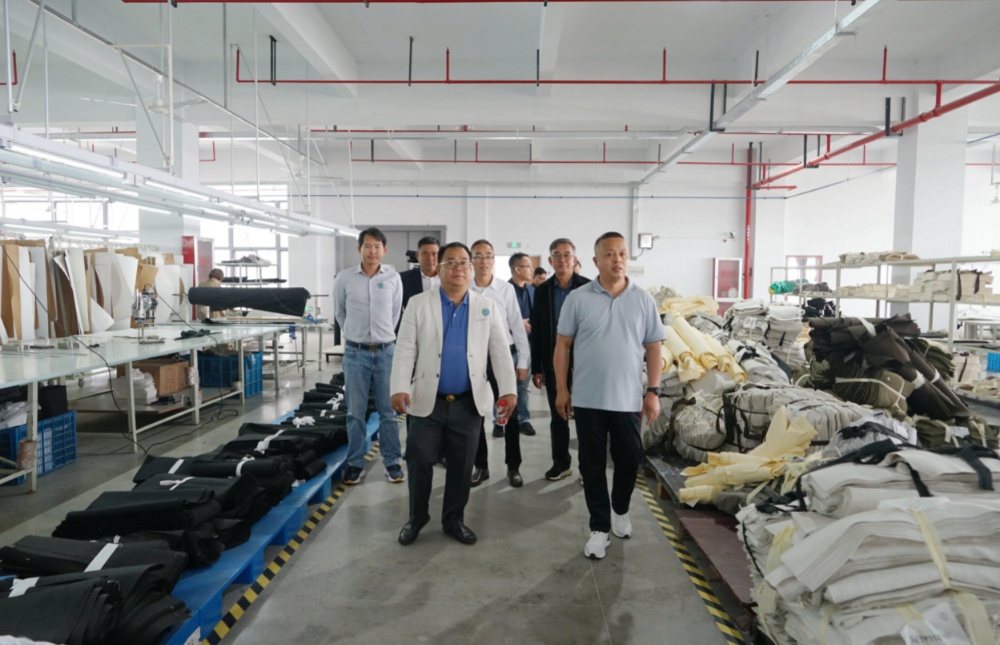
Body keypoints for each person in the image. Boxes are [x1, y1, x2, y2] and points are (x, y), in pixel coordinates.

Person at [391, 242, 517, 546]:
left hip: (467, 403)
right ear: (440, 268)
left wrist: (509, 390)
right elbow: (405, 349)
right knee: (419, 460)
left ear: (471, 269)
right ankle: (417, 517)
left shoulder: (486, 306)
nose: (458, 267)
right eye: (451, 262)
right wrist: (399, 387)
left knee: (462, 467)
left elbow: (500, 352)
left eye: (464, 262)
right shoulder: (418, 304)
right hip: (427, 401)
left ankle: (453, 520)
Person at [554, 232, 664, 560]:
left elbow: (654, 347)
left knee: (629, 459)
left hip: (628, 399)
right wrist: (562, 389)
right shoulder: (578, 298)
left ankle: (620, 509)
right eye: (609, 254)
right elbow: (563, 345)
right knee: (591, 465)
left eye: (622, 254)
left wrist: (653, 391)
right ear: (595, 261)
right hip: (588, 398)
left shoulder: (643, 299)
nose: (617, 260)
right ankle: (599, 527)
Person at [333, 227, 404, 486]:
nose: (372, 251)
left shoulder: (394, 278)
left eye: (377, 246)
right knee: (355, 413)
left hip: (386, 353)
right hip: (356, 354)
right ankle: (355, 463)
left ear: (384, 250)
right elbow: (340, 313)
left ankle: (392, 461)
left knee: (389, 412)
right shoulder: (344, 278)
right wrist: (356, 335)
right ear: (359, 249)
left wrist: (382, 336)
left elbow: (395, 314)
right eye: (367, 246)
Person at [468, 240, 531, 488]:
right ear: (471, 260)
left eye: (488, 255)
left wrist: (523, 360)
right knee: (475, 412)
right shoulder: (465, 288)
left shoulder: (505, 289)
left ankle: (513, 466)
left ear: (494, 260)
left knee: (510, 413)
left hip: (503, 357)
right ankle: (481, 466)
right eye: (478, 256)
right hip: (474, 358)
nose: (484, 260)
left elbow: (517, 326)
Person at [529, 238, 590, 481]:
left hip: (585, 362)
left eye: (567, 255)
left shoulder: (588, 287)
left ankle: (587, 468)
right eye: (557, 255)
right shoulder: (542, 291)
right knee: (558, 415)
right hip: (554, 361)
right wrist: (536, 367)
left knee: (586, 418)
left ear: (575, 259)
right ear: (550, 260)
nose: (562, 259)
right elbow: (537, 330)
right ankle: (561, 463)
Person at [508, 253, 536, 437]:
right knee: (504, 386)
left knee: (523, 386)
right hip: (508, 346)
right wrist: (518, 325)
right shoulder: (504, 290)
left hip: (527, 346)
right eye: (528, 267)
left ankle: (523, 420)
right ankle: (500, 421)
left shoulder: (533, 291)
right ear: (518, 269)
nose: (532, 270)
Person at [399, 236, 440, 313]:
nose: (430, 258)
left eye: (434, 254)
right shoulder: (403, 278)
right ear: (418, 256)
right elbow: (397, 309)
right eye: (425, 253)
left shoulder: (448, 278)